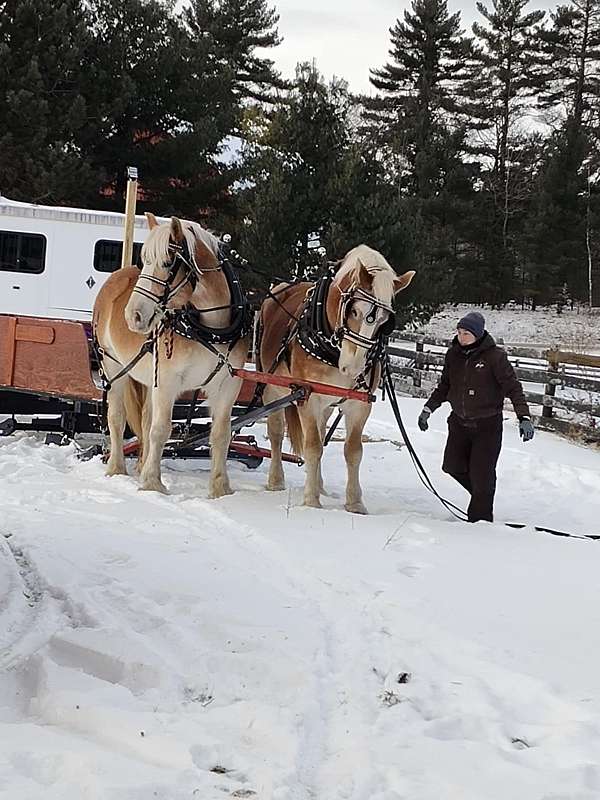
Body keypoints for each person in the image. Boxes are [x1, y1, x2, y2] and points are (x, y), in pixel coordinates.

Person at [417, 311, 534, 523]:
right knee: (452, 466)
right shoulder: (453, 355)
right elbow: (445, 386)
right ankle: (482, 496)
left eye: (467, 333)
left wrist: (524, 417)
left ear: (478, 334)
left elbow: (513, 387)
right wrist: (428, 409)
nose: (462, 337)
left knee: (482, 475)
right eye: (459, 332)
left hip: (487, 426)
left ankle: (480, 523)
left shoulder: (494, 357)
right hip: (459, 423)